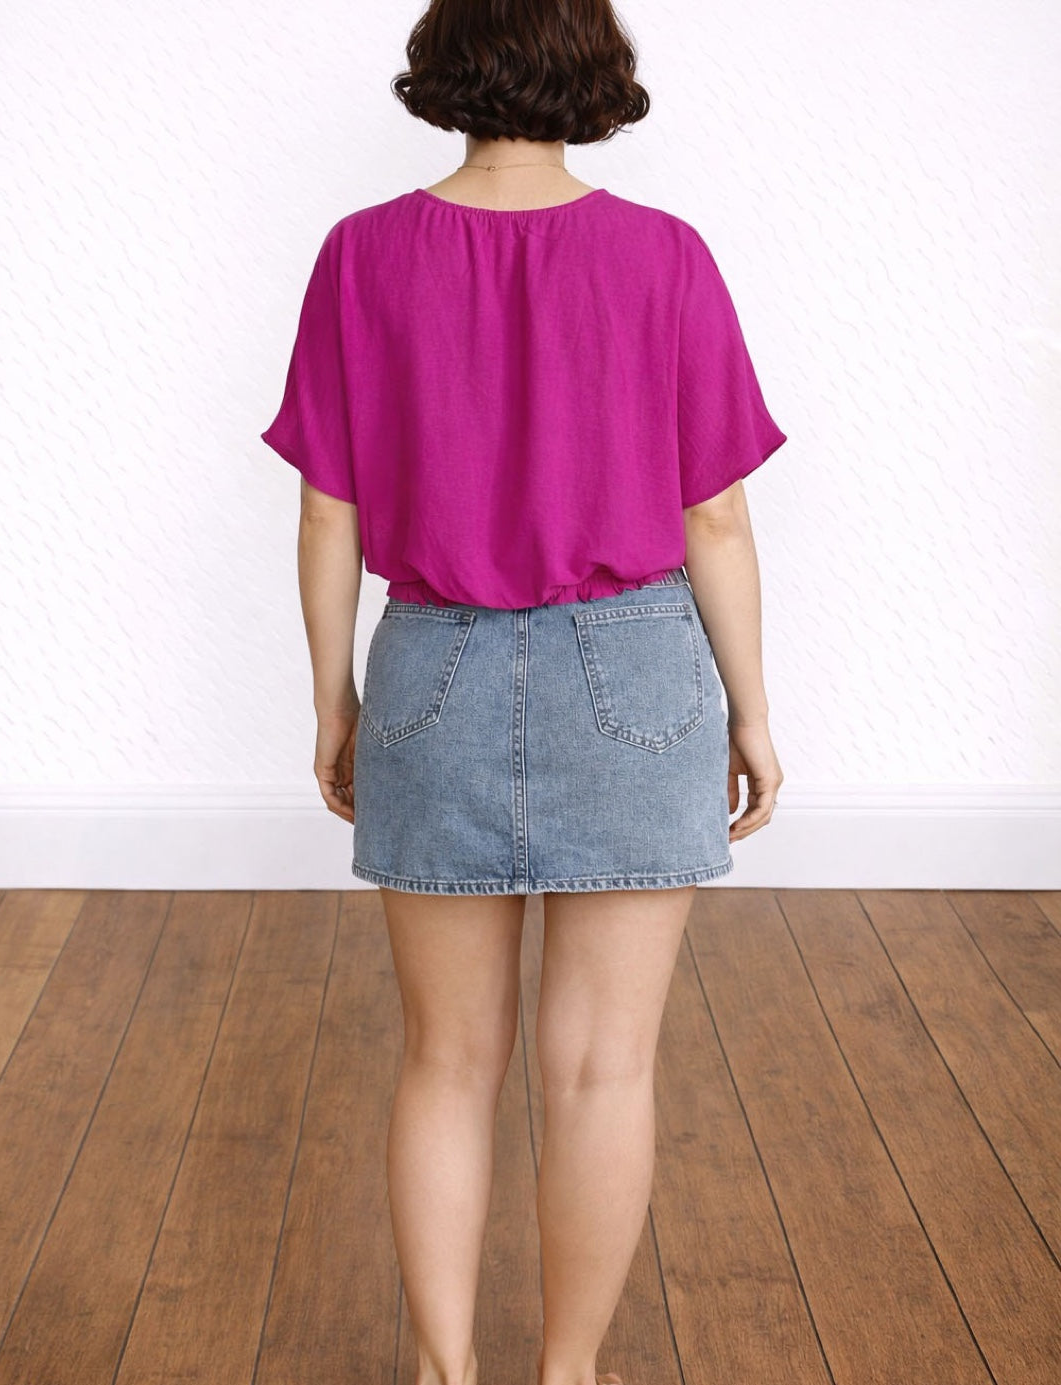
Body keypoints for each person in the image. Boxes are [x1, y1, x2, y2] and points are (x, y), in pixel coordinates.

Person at [260, 3, 786, 1382]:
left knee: (445, 1060)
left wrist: (336, 701)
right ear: (592, 71)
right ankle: (567, 1376)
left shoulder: (362, 254)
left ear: (446, 66)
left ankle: (443, 1370)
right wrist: (752, 708)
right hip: (633, 667)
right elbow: (714, 518)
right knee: (602, 1066)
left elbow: (330, 514)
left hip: (431, 657)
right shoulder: (664, 257)